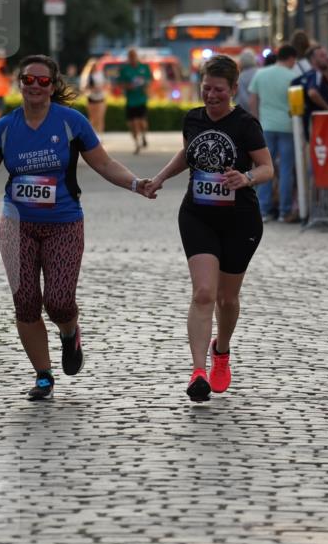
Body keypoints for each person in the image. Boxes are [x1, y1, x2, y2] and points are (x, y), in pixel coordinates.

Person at [0, 54, 155, 402]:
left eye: (43, 81)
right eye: (29, 79)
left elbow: (103, 162)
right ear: (19, 82)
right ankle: (43, 375)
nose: (35, 86)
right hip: (16, 224)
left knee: (59, 301)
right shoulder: (4, 128)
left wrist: (135, 184)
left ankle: (70, 334)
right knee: (25, 301)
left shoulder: (71, 122)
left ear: (53, 86)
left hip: (64, 223)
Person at [145, 55, 273, 402]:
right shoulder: (193, 118)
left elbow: (266, 168)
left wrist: (245, 177)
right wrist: (158, 179)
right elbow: (187, 154)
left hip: (240, 219)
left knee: (227, 298)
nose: (211, 96)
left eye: (219, 90)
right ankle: (198, 371)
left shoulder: (246, 124)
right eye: (206, 89)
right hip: (197, 214)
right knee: (203, 293)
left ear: (233, 89)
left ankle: (222, 349)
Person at [248, 43, 299, 223]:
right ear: (291, 58)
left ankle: (263, 209)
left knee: (265, 168)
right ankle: (285, 211)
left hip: (266, 127)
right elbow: (297, 104)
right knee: (286, 169)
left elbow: (252, 99)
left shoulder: (261, 74)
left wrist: (256, 121)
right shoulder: (294, 76)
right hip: (288, 127)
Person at [118, 48, 152, 155]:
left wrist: (146, 86)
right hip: (130, 101)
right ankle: (137, 144)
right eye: (130, 56)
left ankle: (143, 136)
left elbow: (150, 79)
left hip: (141, 99)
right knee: (132, 124)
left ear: (136, 57)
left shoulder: (144, 67)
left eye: (134, 56)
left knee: (141, 123)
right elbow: (120, 83)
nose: (132, 58)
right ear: (128, 58)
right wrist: (128, 86)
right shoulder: (124, 69)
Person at [80, 57, 107, 134]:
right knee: (93, 118)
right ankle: (94, 135)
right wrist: (92, 89)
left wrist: (100, 88)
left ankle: (100, 135)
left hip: (101, 98)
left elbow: (106, 85)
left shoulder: (101, 74)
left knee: (100, 118)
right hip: (91, 98)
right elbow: (83, 88)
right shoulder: (87, 76)